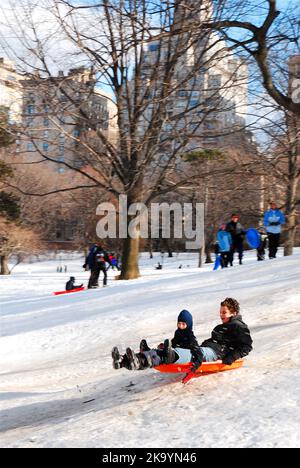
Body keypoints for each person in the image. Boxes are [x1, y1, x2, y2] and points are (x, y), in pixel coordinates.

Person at [112, 301, 253, 371]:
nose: (221, 315)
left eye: (224, 312)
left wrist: (231, 356)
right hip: (208, 349)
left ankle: (145, 360)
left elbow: (246, 346)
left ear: (233, 313)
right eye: (221, 312)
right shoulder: (221, 326)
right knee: (169, 350)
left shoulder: (239, 326)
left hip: (217, 354)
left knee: (178, 354)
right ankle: (126, 360)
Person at [112, 309, 200, 370]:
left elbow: (197, 349)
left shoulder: (190, 336)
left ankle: (138, 361)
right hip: (173, 353)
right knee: (155, 351)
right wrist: (165, 346)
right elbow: (174, 343)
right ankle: (121, 361)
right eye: (179, 323)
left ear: (189, 325)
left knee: (157, 356)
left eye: (183, 324)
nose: (180, 326)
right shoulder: (178, 333)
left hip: (179, 356)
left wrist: (196, 360)